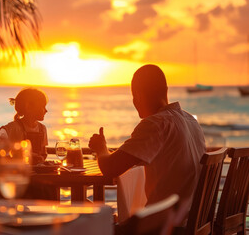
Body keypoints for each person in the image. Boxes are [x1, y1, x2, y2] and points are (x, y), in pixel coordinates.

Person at [88, 64, 206, 224]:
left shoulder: (156, 124)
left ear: (138, 95)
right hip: (192, 221)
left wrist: (100, 147)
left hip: (163, 226)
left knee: (96, 224)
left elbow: (110, 169)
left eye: (134, 96)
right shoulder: (191, 121)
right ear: (165, 90)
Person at [0, 88, 49, 165]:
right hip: (16, 171)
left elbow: (43, 153)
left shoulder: (42, 129)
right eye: (43, 106)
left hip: (37, 172)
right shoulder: (11, 128)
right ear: (28, 107)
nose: (46, 110)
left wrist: (41, 158)